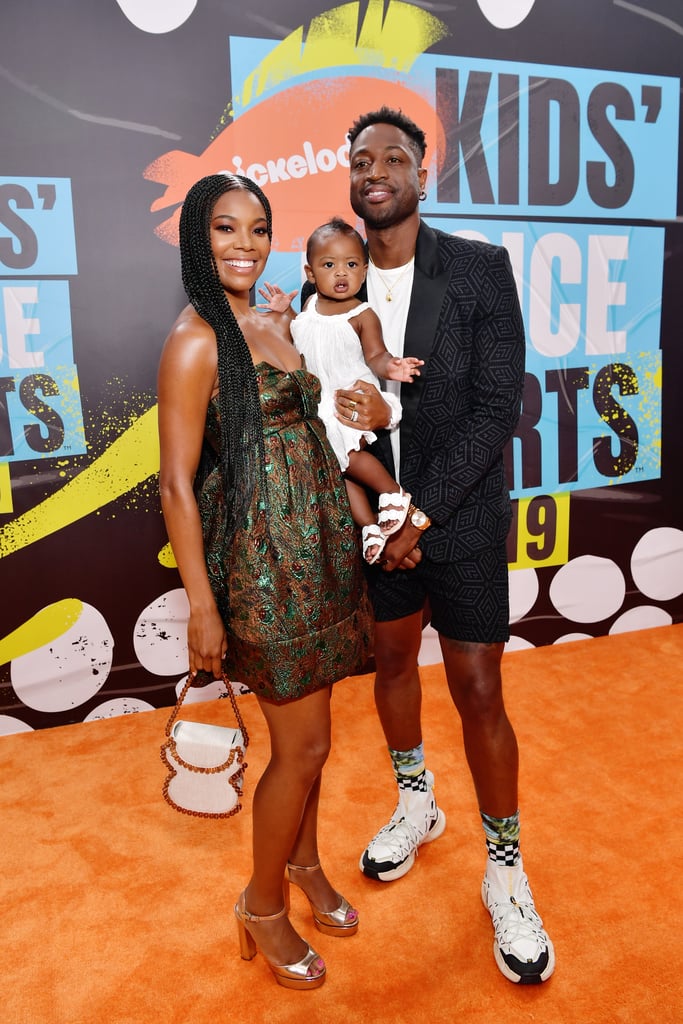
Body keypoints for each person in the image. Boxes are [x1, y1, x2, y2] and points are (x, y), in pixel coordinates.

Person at [330, 107, 555, 985]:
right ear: (349, 181)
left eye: (393, 158)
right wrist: (372, 521)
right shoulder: (328, 285)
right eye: (360, 160)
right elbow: (317, 412)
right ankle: (415, 806)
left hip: (454, 523)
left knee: (476, 690)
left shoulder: (477, 270)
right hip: (369, 527)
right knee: (390, 670)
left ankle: (505, 870)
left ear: (422, 176)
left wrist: (415, 519)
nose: (375, 170)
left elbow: (495, 408)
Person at [157, 173, 373, 991]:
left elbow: (294, 422)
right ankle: (260, 904)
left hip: (315, 550)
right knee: (305, 744)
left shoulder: (262, 317)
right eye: (224, 228)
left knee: (310, 743)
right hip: (260, 565)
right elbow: (178, 484)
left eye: (257, 228)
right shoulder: (193, 339)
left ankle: (305, 866)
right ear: (195, 238)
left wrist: (278, 323)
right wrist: (203, 605)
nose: (243, 244)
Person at [261, 217, 423, 564]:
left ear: (363, 272)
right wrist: (284, 312)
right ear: (310, 272)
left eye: (351, 265)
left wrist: (392, 366)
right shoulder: (309, 308)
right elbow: (302, 334)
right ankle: (368, 526)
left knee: (348, 458)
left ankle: (392, 493)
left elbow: (376, 355)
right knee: (337, 468)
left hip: (348, 401)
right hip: (319, 407)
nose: (340, 273)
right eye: (329, 265)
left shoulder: (363, 314)